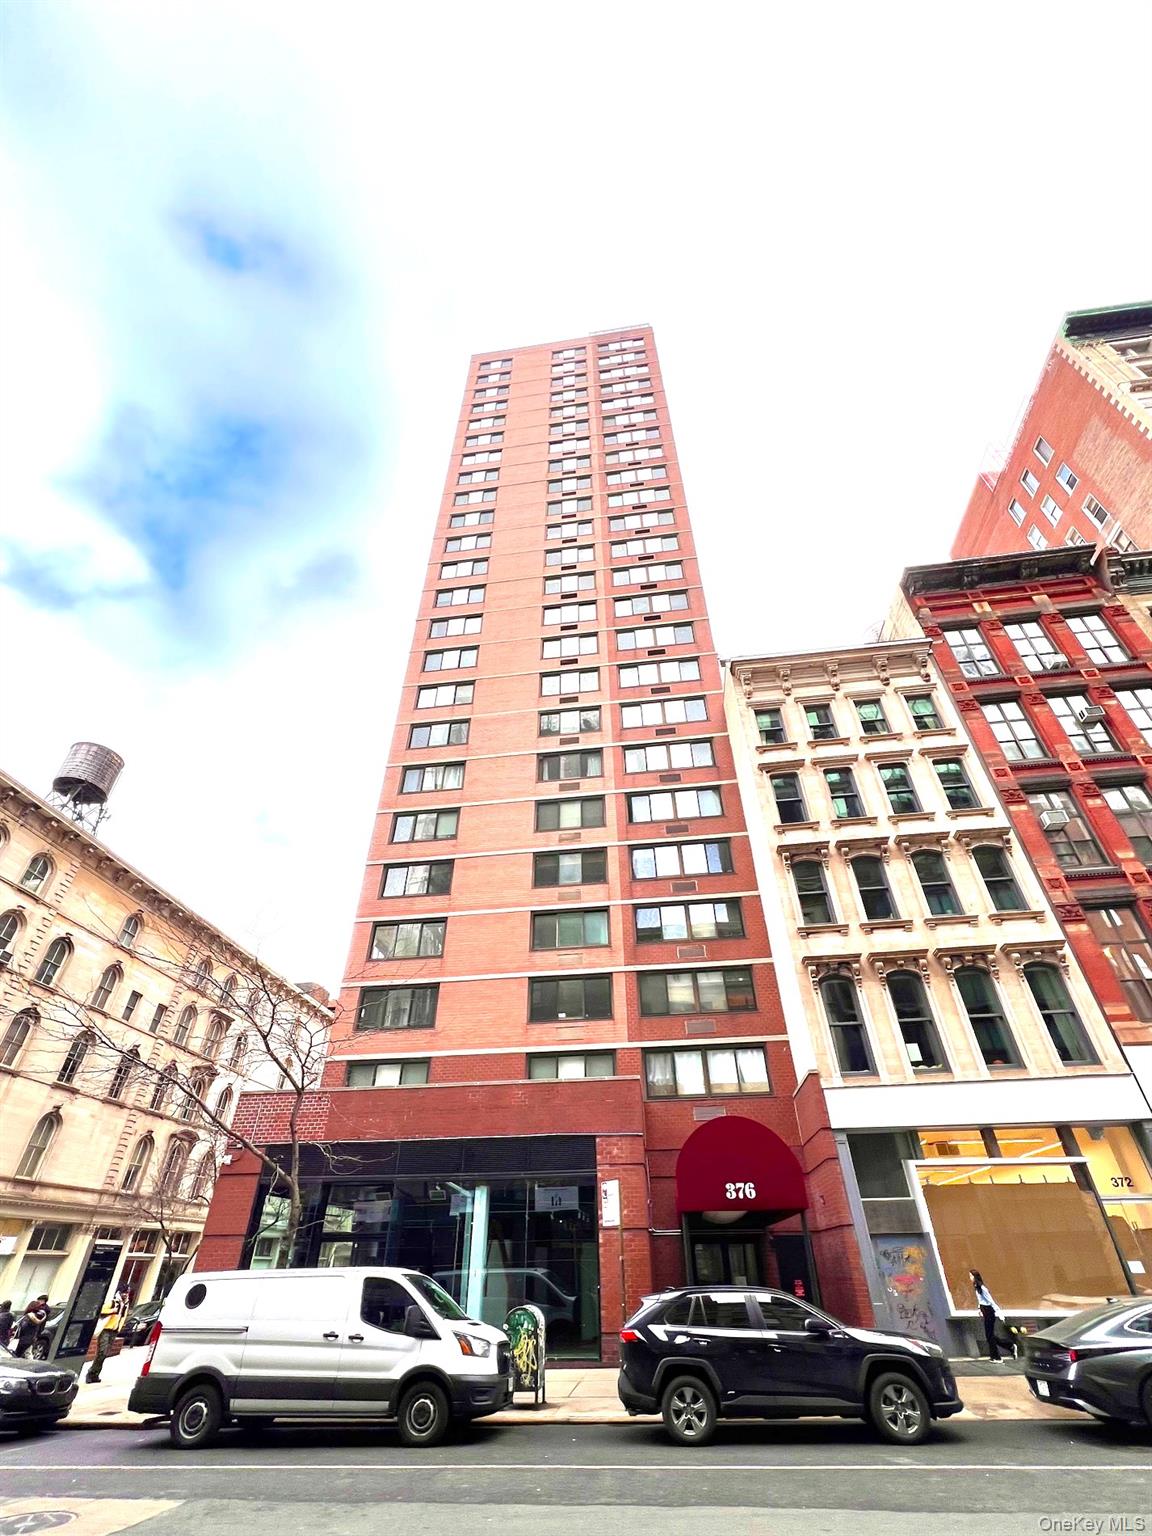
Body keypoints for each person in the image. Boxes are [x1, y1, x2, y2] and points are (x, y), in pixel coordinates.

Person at [85, 1290, 126, 1384]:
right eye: (124, 1292)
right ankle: (91, 1373)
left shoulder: (125, 1304)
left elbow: (122, 1317)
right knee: (102, 1352)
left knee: (105, 1353)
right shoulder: (113, 1302)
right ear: (120, 1293)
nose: (126, 1294)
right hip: (106, 1330)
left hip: (114, 1331)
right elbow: (101, 1310)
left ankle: (95, 1374)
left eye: (127, 1292)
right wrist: (113, 1311)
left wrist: (119, 1328)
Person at [970, 1269, 1005, 1361]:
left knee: (990, 1335)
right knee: (989, 1335)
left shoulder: (982, 1288)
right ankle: (994, 1356)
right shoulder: (977, 1287)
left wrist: (999, 1312)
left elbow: (990, 1301)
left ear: (975, 1277)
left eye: (971, 1276)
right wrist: (979, 1308)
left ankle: (997, 1357)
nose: (970, 1278)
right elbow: (980, 1300)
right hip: (985, 1310)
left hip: (989, 1311)